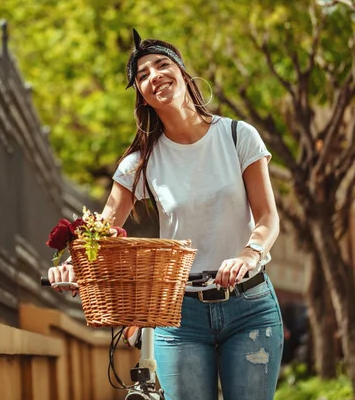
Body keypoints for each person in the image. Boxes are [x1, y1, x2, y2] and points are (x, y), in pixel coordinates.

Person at [48, 29, 283, 400]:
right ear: (141, 94)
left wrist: (248, 254)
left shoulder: (239, 137)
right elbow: (102, 230)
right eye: (142, 75)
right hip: (181, 314)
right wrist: (75, 268)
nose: (153, 76)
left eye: (162, 65)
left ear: (183, 74)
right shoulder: (139, 163)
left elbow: (269, 217)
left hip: (249, 306)